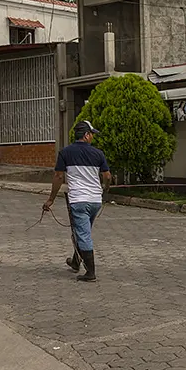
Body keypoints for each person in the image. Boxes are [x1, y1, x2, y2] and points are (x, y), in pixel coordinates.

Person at [44, 120, 111, 282]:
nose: (93, 138)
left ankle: (91, 272)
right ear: (86, 135)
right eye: (92, 134)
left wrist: (51, 199)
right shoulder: (98, 154)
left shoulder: (65, 153)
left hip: (78, 200)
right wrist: (105, 189)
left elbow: (59, 176)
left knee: (83, 233)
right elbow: (107, 176)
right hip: (95, 200)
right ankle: (75, 262)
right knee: (82, 231)